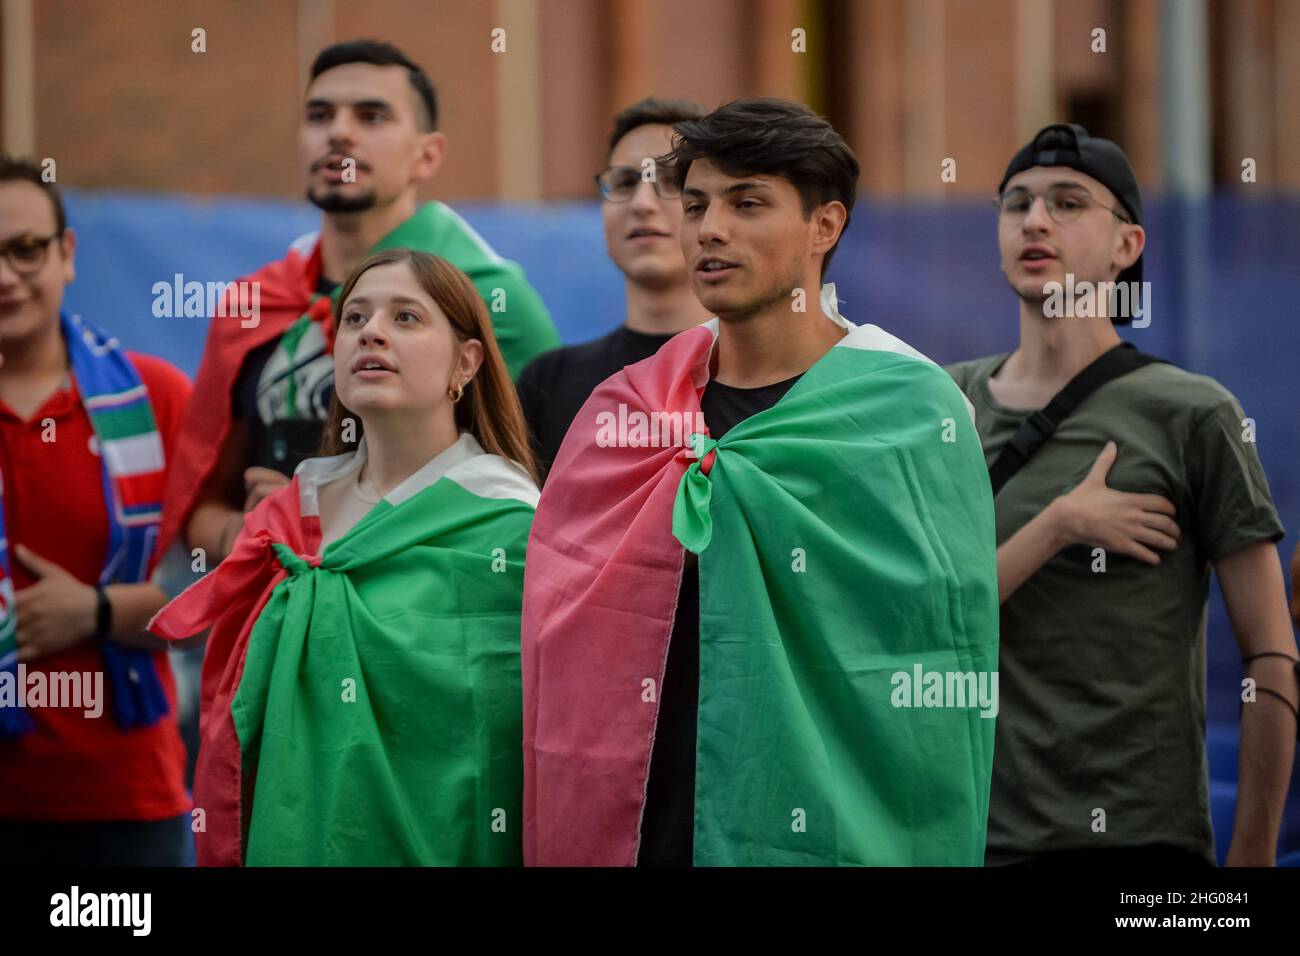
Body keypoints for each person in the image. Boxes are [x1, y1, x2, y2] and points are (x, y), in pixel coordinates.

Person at [521, 99, 1000, 866]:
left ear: (825, 226)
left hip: (827, 831)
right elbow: (559, 633)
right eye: (699, 205)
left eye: (748, 204)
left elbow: (937, 653)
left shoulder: (909, 410)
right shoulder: (627, 408)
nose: (710, 229)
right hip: (643, 828)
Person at [944, 123, 1298, 866]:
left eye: (1067, 203)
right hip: (967, 838)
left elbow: (1270, 656)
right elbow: (920, 620)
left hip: (1141, 842)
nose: (1035, 221)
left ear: (1126, 246)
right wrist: (1062, 522)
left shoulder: (1194, 413)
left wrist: (1254, 857)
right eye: (1017, 205)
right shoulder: (940, 406)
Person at [151, 249, 539, 866]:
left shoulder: (511, 526)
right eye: (355, 319)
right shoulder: (286, 523)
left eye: (406, 318)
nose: (372, 332)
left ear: (464, 362)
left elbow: (519, 735)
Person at [161, 38, 558, 566]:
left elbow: (550, 501)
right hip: (274, 617)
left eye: (372, 116)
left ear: (427, 154)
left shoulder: (489, 299)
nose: (339, 132)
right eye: (320, 115)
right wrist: (246, 531)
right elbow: (203, 505)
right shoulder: (259, 303)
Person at [0, 155, 195, 865]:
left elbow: (217, 596)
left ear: (67, 254)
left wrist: (99, 611)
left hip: (123, 808)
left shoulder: (157, 398)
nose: (4, 277)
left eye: (25, 250)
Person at [518, 97, 710, 478]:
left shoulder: (760, 375)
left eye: (671, 181)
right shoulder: (547, 383)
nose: (641, 203)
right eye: (624, 182)